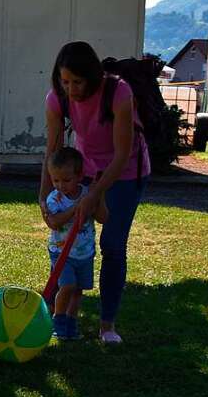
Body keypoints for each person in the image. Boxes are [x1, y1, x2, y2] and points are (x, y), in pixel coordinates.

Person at [40, 41, 151, 345]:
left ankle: (107, 323)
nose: (71, 89)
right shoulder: (56, 99)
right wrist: (43, 197)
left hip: (126, 172)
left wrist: (95, 194)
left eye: (78, 81)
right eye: (64, 82)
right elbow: (52, 150)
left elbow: (122, 153)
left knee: (112, 244)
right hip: (84, 169)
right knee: (71, 236)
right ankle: (58, 309)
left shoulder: (119, 92)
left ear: (93, 76)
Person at [44, 146, 109, 340]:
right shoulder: (54, 198)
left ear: (79, 176)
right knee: (67, 286)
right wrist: (76, 208)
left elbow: (103, 218)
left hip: (84, 252)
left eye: (66, 180)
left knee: (78, 291)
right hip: (62, 252)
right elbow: (55, 223)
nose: (60, 185)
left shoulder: (88, 194)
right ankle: (58, 320)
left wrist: (99, 195)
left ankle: (71, 324)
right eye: (55, 180)